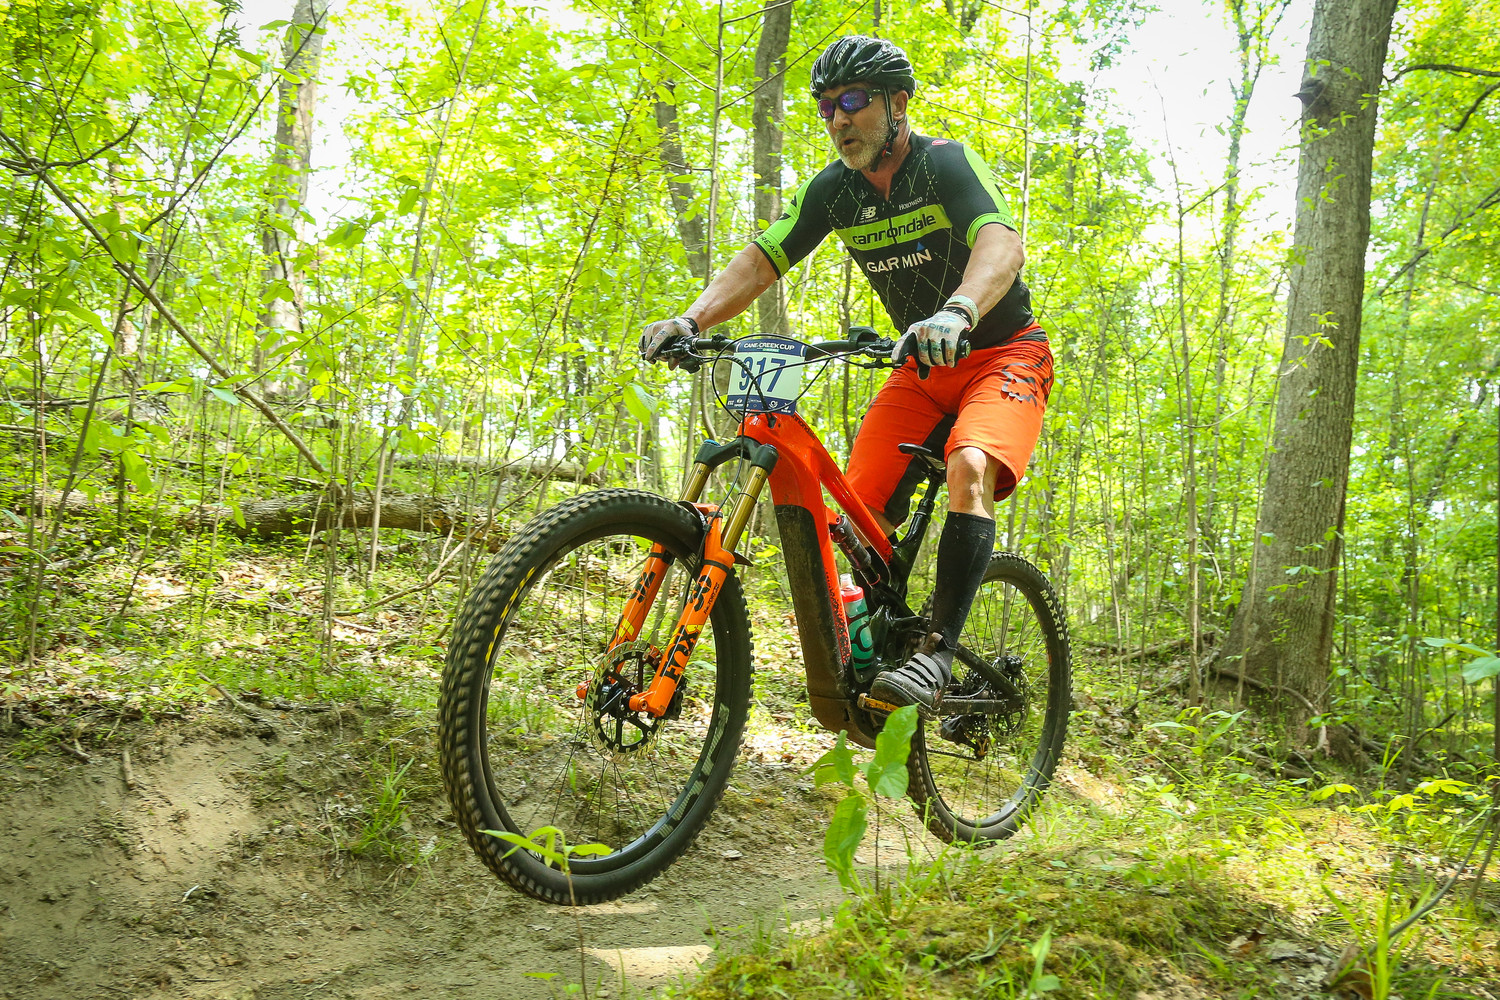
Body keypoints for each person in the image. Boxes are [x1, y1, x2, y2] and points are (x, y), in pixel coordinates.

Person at [639, 35, 1054, 713]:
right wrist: (691, 320)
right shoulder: (834, 191)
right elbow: (761, 260)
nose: (838, 119)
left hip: (1004, 353)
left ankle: (937, 654)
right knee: (857, 525)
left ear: (898, 103)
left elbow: (1000, 242)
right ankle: (876, 659)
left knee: (969, 465)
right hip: (921, 368)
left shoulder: (943, 164)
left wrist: (958, 310)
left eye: (853, 101)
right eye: (827, 106)